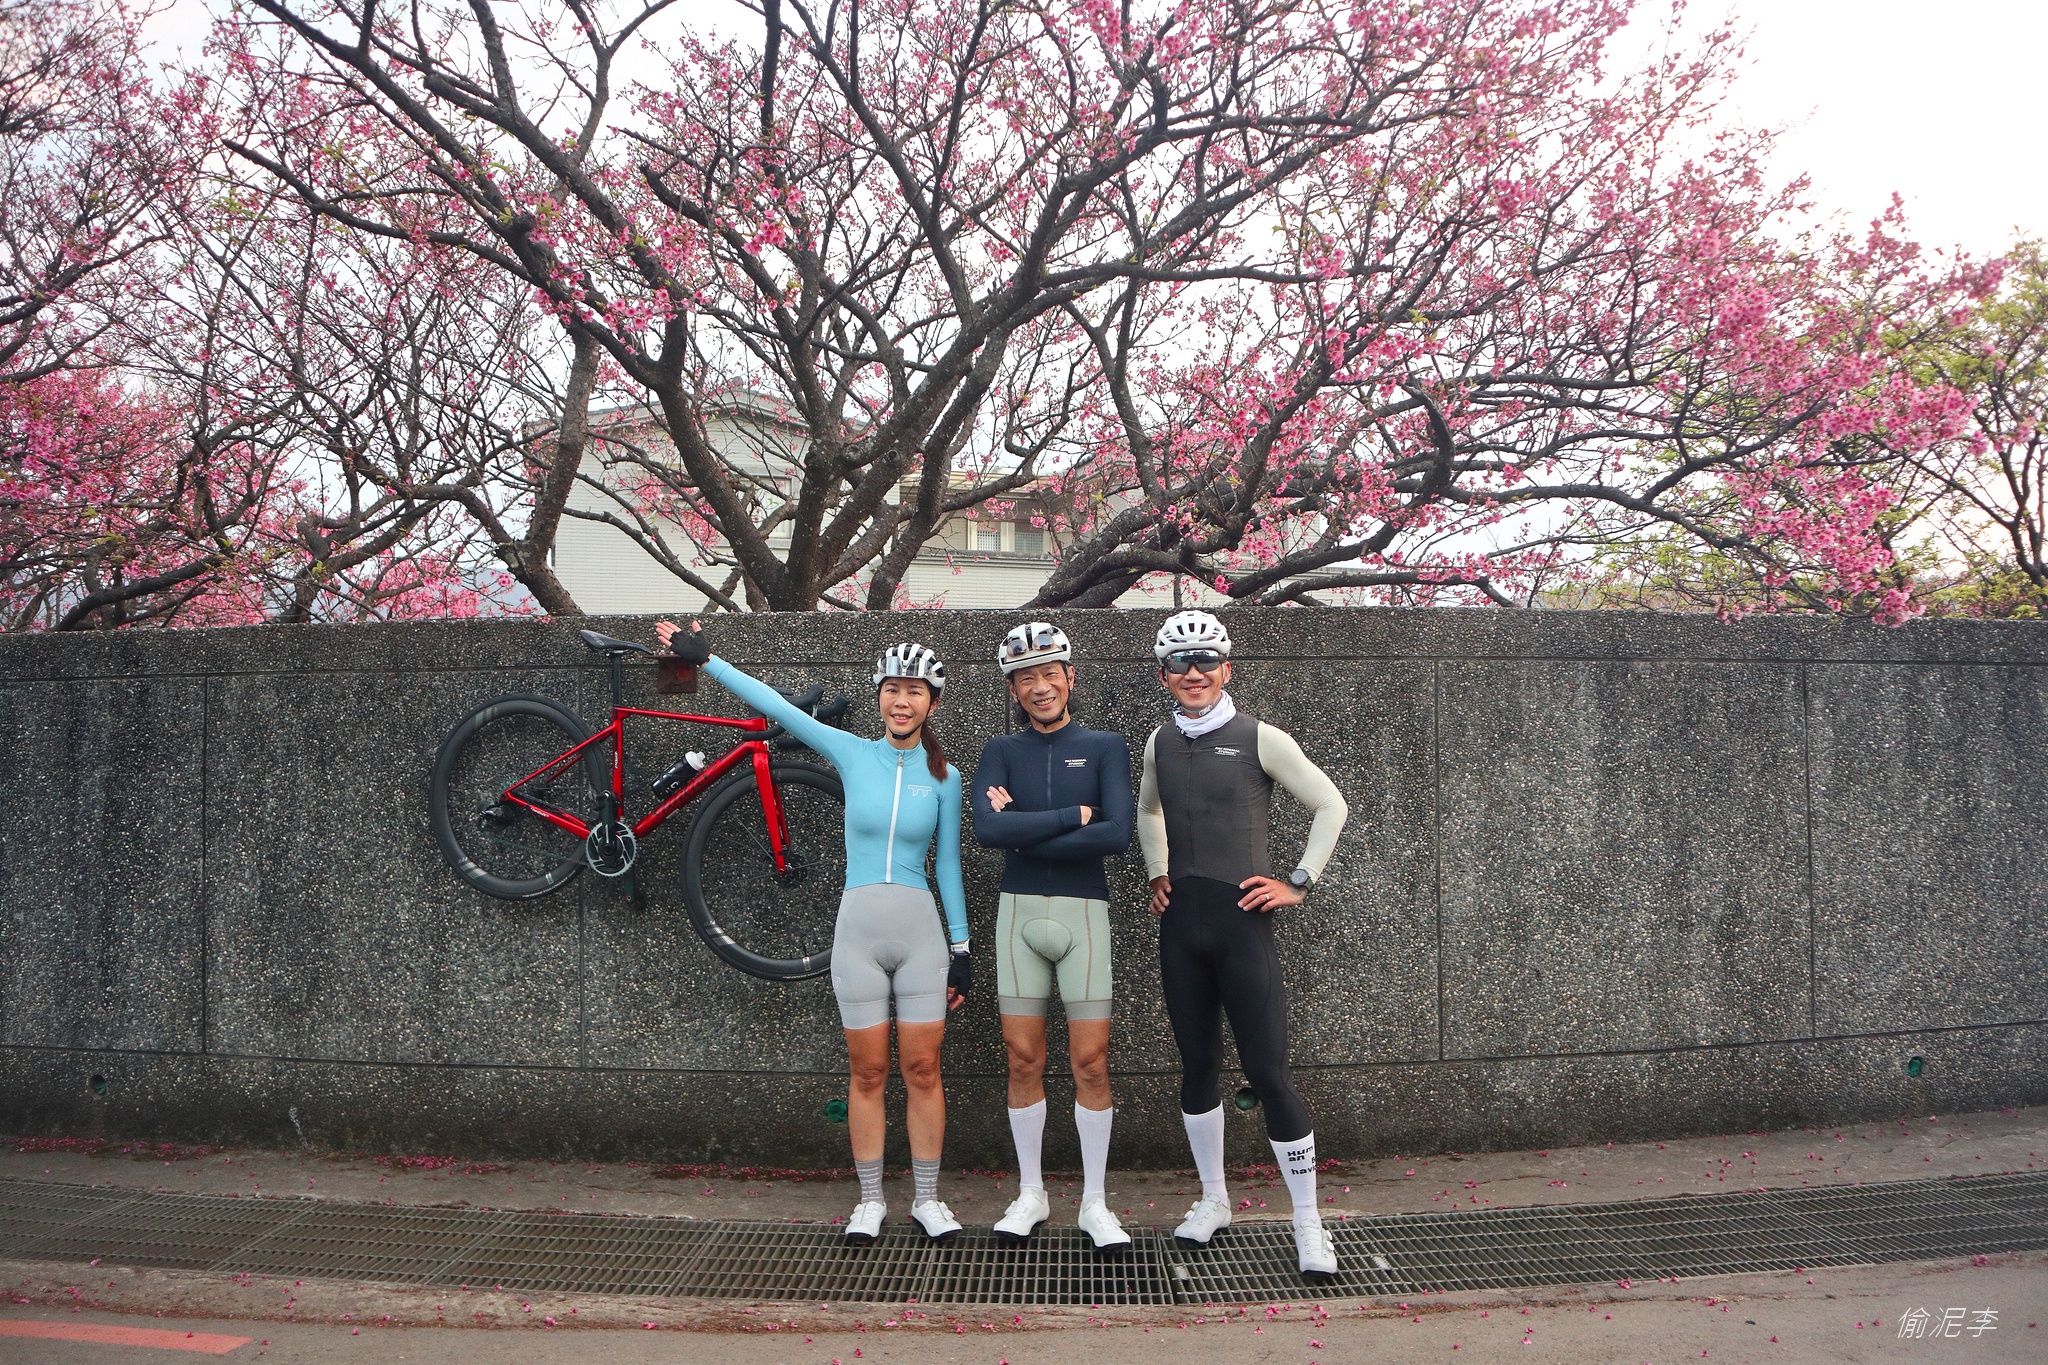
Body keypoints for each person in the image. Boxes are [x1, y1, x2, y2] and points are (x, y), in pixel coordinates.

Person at [656, 620, 971, 1245]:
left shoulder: (946, 777)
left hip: (922, 936)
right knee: (868, 1072)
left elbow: (949, 866)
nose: (901, 701)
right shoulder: (852, 752)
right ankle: (870, 1201)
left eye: (914, 691)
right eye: (891, 689)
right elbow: (776, 706)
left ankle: (929, 1200)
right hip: (858, 933)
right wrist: (708, 659)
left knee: (923, 1069)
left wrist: (961, 949)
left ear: (931, 704)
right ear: (879, 696)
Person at [1135, 610, 1350, 1281]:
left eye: (1206, 660)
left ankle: (1308, 1221)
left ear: (1226, 668)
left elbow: (1331, 804)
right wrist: (1157, 870)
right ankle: (1214, 1199)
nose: (1193, 672)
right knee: (1197, 1067)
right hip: (1181, 929)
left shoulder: (1260, 738)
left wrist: (1299, 881)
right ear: (1164, 675)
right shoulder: (1159, 742)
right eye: (1180, 663)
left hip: (1241, 927)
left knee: (1268, 1072)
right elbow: (1148, 809)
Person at [971, 622, 1134, 1252]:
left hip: (1084, 914)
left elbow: (1116, 835)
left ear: (1069, 677)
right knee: (1022, 1058)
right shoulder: (1000, 750)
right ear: (1013, 689)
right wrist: (1073, 816)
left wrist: (1024, 826)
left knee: (1091, 1061)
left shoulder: (1104, 747)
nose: (1039, 687)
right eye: (1025, 679)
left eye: (1049, 674)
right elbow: (987, 832)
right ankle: (1031, 1192)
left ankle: (1095, 1201)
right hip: (1017, 916)